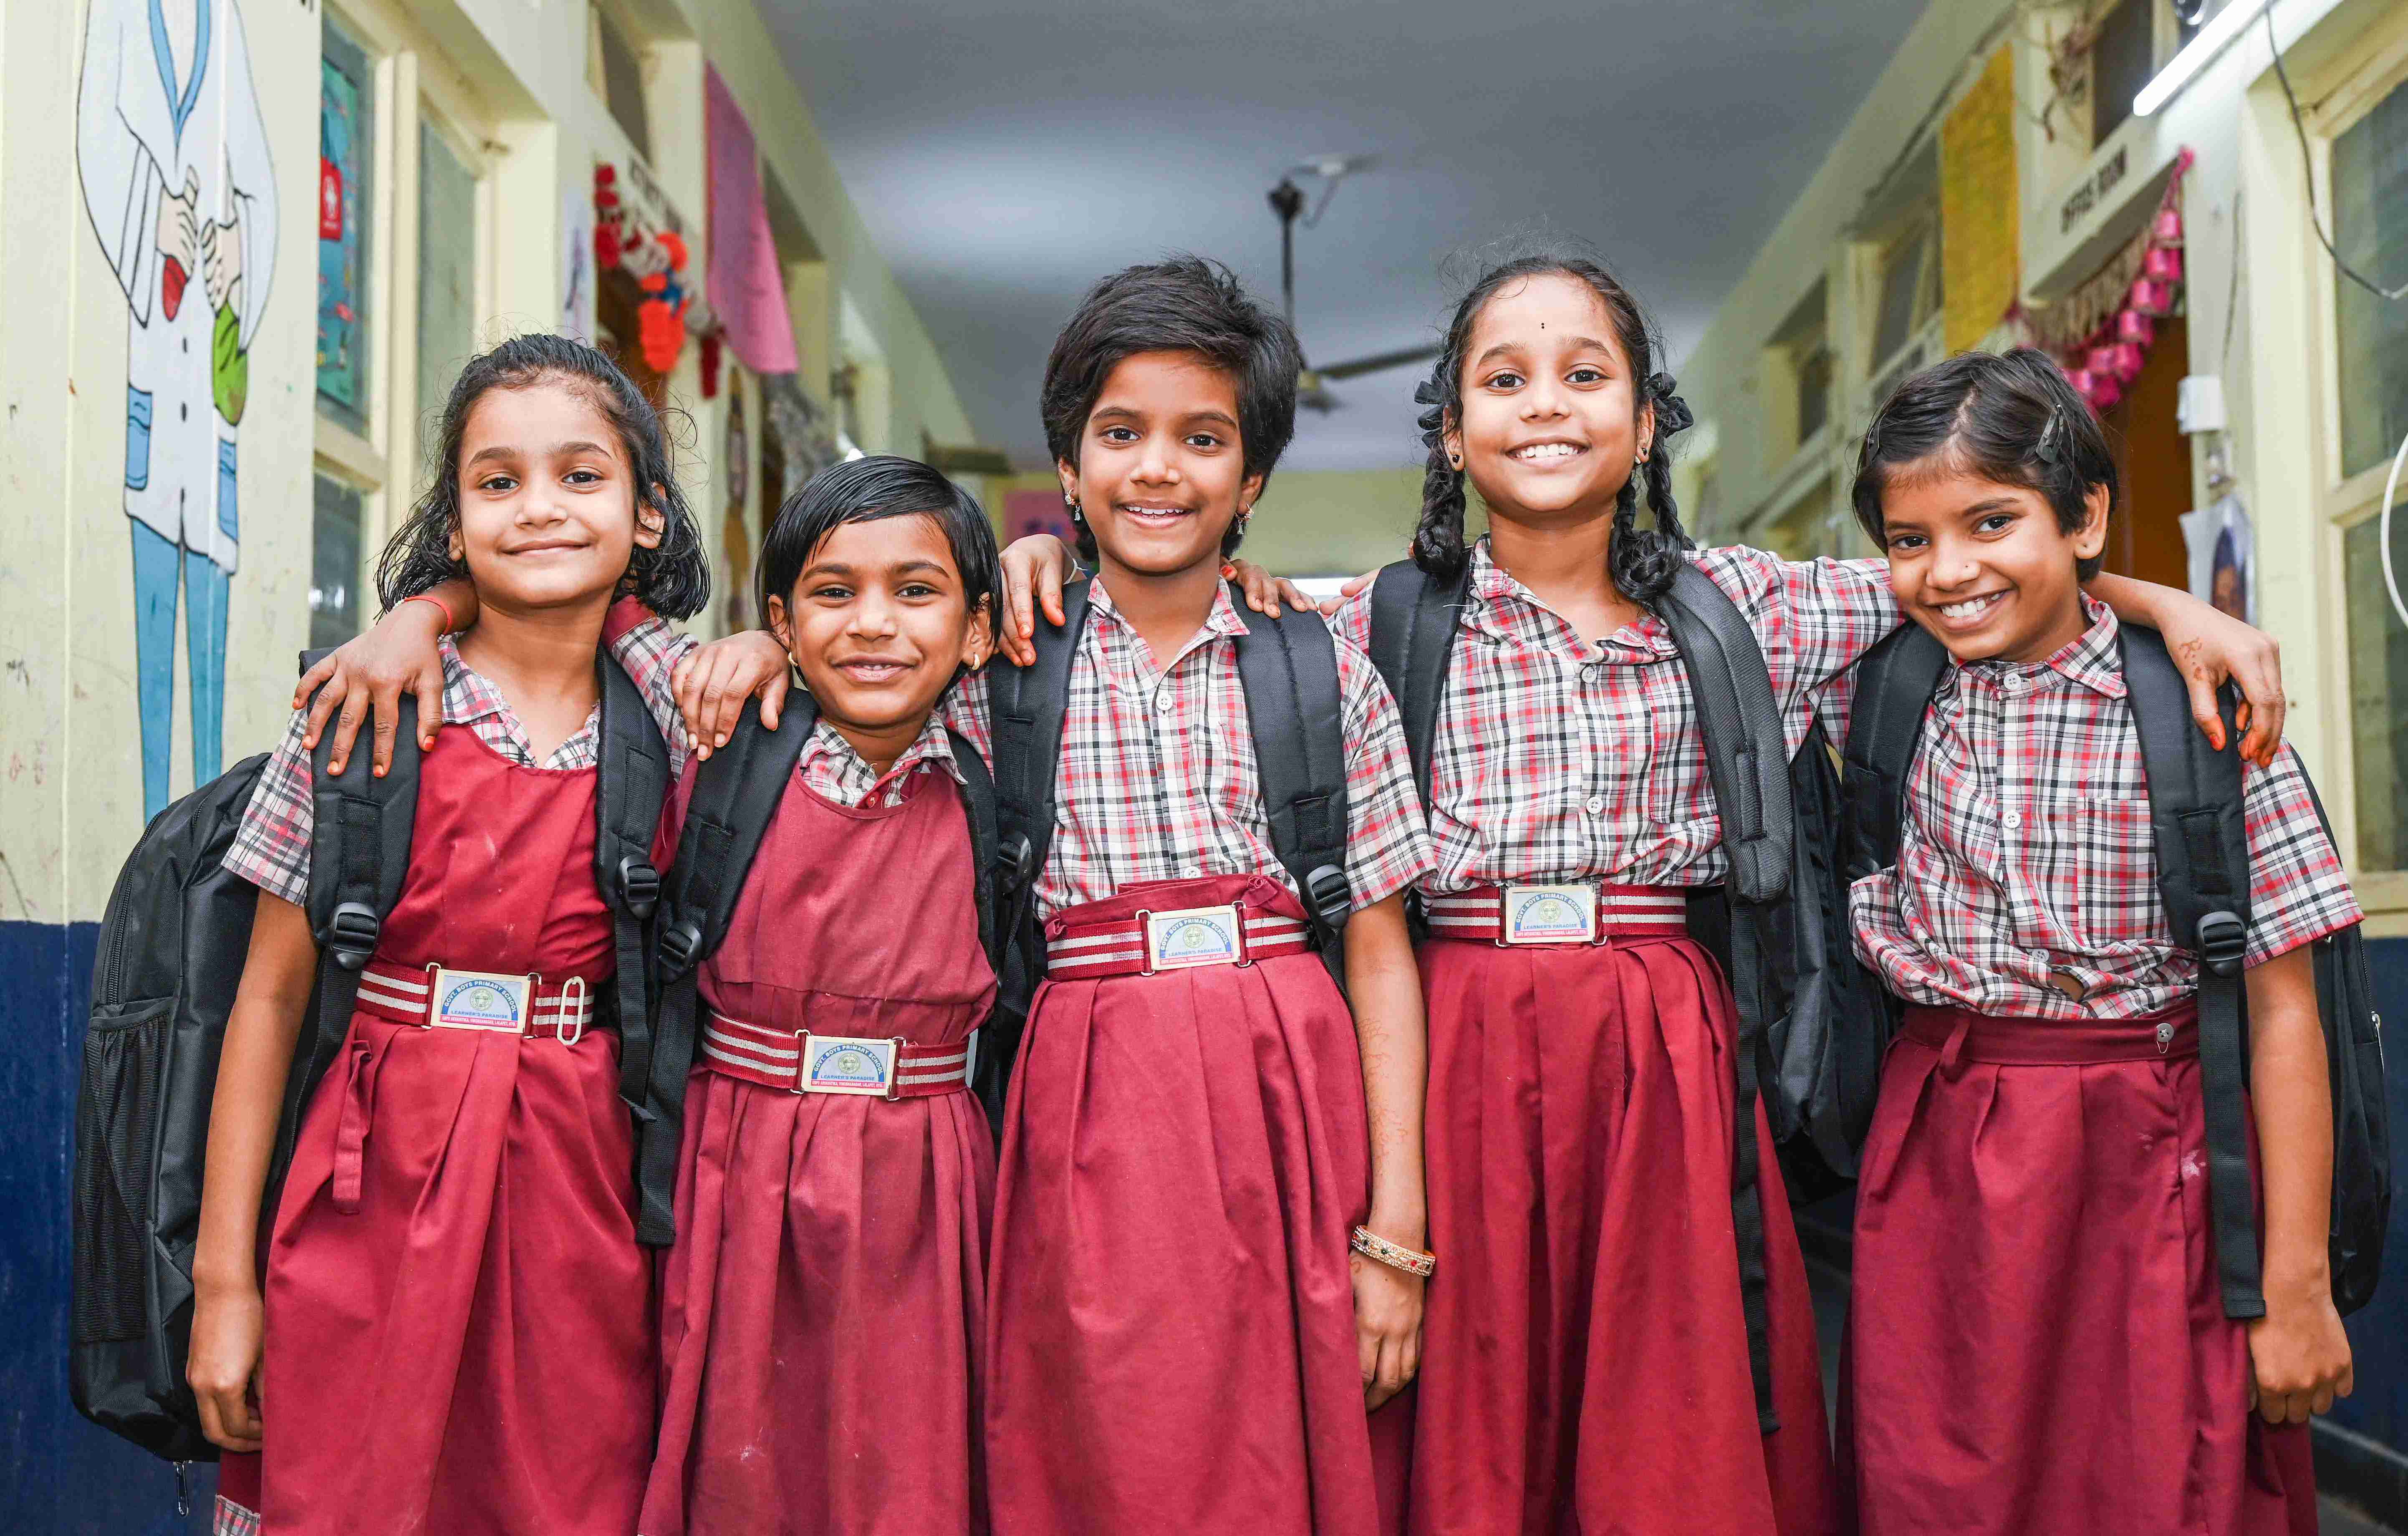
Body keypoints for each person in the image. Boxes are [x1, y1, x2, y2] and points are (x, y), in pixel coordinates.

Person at [997, 250, 2291, 1536]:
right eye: (1503, 379)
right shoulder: (1364, 623)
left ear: (1646, 419)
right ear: (1450, 432)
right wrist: (1029, 564)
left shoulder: (1750, 607)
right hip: (1456, 1040)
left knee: (1666, 1417)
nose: (1545, 404)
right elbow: (1181, 598)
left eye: (1584, 373)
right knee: (1467, 1403)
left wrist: (2168, 606)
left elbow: (1964, 584)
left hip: (1663, 1056)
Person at [188, 334, 708, 1536]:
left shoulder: (687, 728)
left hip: (586, 1201)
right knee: (350, 1491)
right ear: (455, 517)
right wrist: (226, 1285)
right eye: (497, 481)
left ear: (646, 515)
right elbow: (266, 1000)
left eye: (582, 476)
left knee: (567, 1491)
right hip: (368, 1183)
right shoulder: (361, 717)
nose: (539, 509)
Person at [1839, 349, 2355, 1536]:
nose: (1948, 569)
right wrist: (2161, 591)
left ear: (2084, 516)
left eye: (1990, 520)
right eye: (1908, 538)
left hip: (2153, 1152)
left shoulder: (2199, 713)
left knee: (2157, 1474)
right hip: (1938, 1149)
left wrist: (2292, 1285)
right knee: (1935, 1478)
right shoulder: (1877, 679)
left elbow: (2282, 1009)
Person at [638, 457, 1003, 1535]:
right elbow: (569, 604)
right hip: (733, 1164)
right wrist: (426, 609)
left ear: (977, 632)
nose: (874, 624)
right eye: (834, 593)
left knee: (910, 1471)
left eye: (916, 592)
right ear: (783, 626)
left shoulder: (1003, 753)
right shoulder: (713, 747)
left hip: (929, 1183)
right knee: (741, 1466)